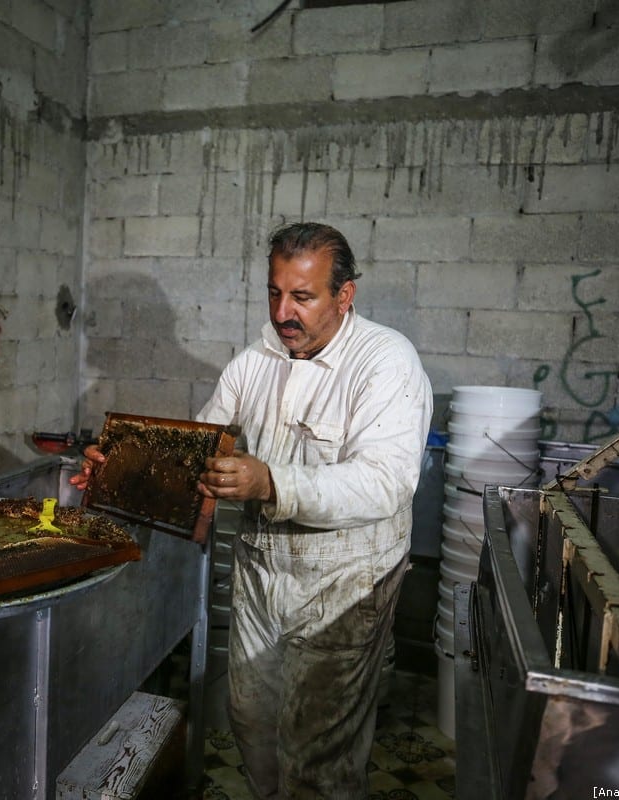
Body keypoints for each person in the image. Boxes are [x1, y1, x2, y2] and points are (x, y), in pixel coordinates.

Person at [73, 222, 432, 798]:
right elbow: (203, 454)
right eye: (274, 292)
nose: (283, 311)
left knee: (318, 751)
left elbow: (385, 483)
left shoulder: (385, 362)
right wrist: (122, 469)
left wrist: (271, 482)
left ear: (345, 296)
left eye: (302, 297)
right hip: (263, 575)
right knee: (252, 721)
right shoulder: (256, 360)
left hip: (346, 585)